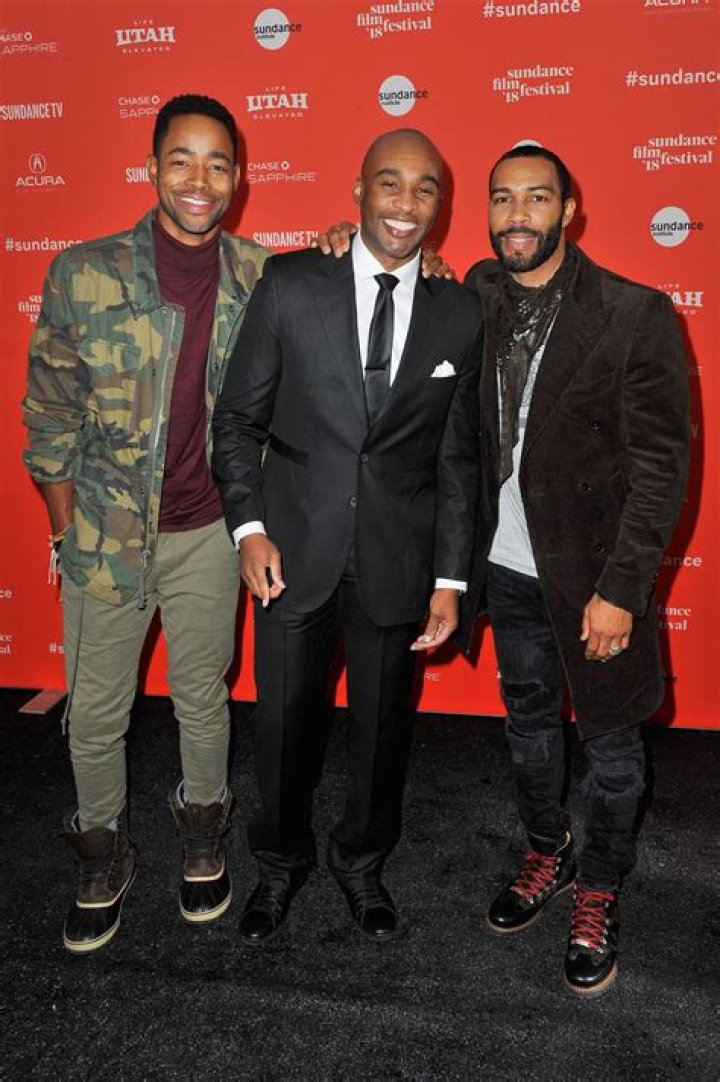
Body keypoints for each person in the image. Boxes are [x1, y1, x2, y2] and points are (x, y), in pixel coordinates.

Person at [211, 129, 484, 944]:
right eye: (390, 184)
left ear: (441, 204)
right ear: (358, 191)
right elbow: (236, 421)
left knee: (382, 731)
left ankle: (361, 863)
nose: (406, 203)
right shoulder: (292, 283)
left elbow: (458, 458)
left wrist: (451, 579)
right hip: (292, 552)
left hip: (398, 561)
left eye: (425, 188)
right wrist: (249, 529)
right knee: (281, 728)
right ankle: (278, 862)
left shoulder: (459, 310)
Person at [22, 94, 270, 953]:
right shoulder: (82, 273)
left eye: (218, 163)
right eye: (182, 159)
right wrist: (67, 533)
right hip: (104, 533)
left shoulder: (261, 276)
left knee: (204, 696)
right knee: (95, 713)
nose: (200, 179)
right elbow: (49, 419)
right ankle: (104, 852)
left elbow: (342, 298)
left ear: (237, 178)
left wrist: (351, 245)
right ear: (152, 166)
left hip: (208, 533)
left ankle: (202, 831)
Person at [459, 144, 690, 995]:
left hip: (596, 579)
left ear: (569, 209)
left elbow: (662, 467)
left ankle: (598, 886)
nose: (517, 214)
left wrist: (623, 590)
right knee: (528, 726)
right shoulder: (478, 293)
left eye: (536, 198)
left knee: (613, 748)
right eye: (503, 198)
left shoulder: (633, 312)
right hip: (507, 566)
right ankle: (546, 850)